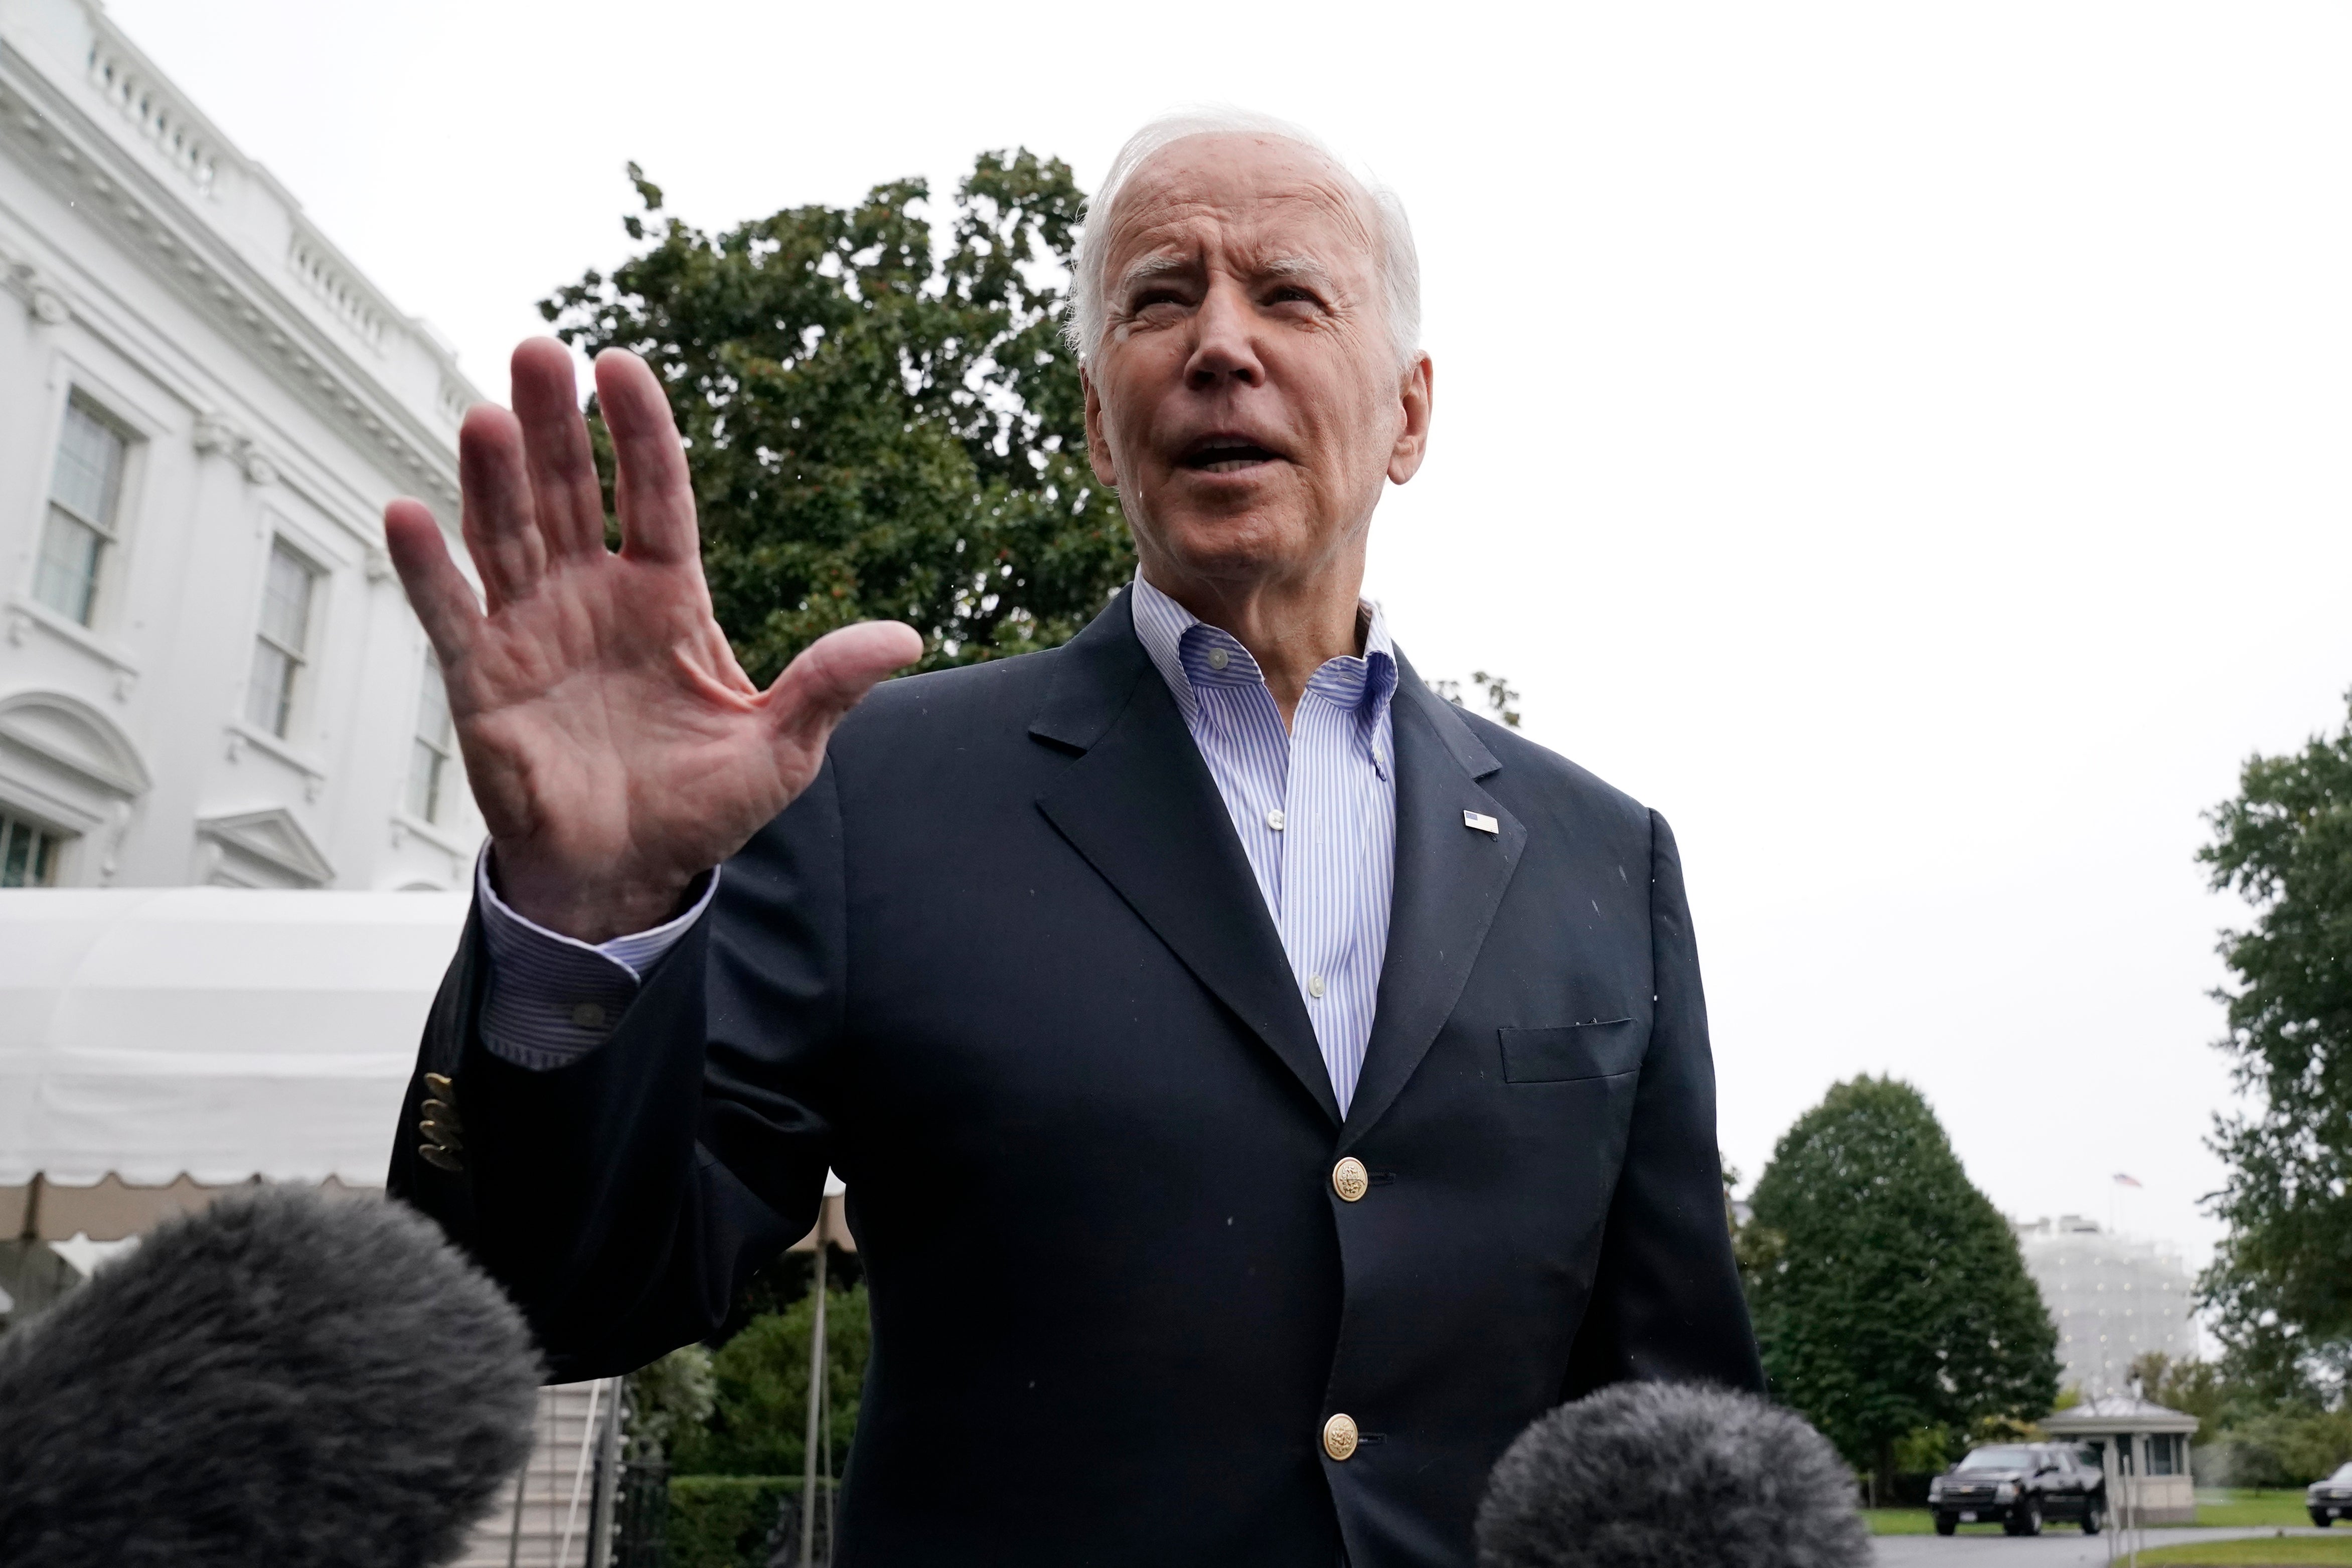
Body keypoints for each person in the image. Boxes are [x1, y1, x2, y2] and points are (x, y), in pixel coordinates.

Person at [383, 111, 1761, 1567]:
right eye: (1158, 300)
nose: (1219, 344)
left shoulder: (1604, 858)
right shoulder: (867, 789)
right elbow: (551, 1296)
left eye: (1288, 294)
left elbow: (1679, 1434)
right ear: (1101, 423)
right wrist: (586, 917)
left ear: (1409, 413)